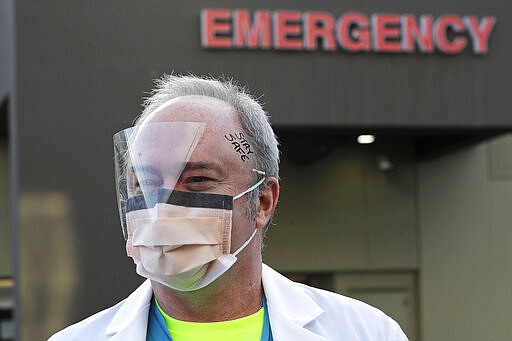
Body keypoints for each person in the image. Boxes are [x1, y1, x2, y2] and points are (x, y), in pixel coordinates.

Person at [50, 74, 408, 340]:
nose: (161, 206)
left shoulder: (366, 333)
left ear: (263, 201)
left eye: (198, 180)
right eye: (143, 183)